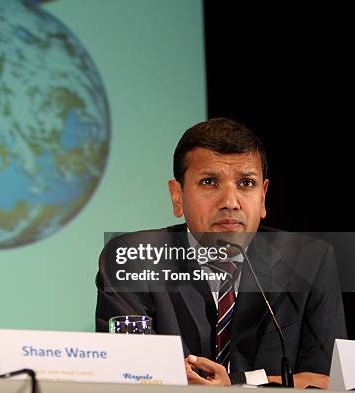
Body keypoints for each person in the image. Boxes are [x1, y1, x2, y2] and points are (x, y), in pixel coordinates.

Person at [95, 118, 346, 388]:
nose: (230, 202)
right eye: (210, 182)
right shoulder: (133, 258)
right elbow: (128, 373)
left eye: (246, 183)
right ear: (177, 195)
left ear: (263, 196)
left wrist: (234, 384)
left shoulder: (310, 260)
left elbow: (327, 380)